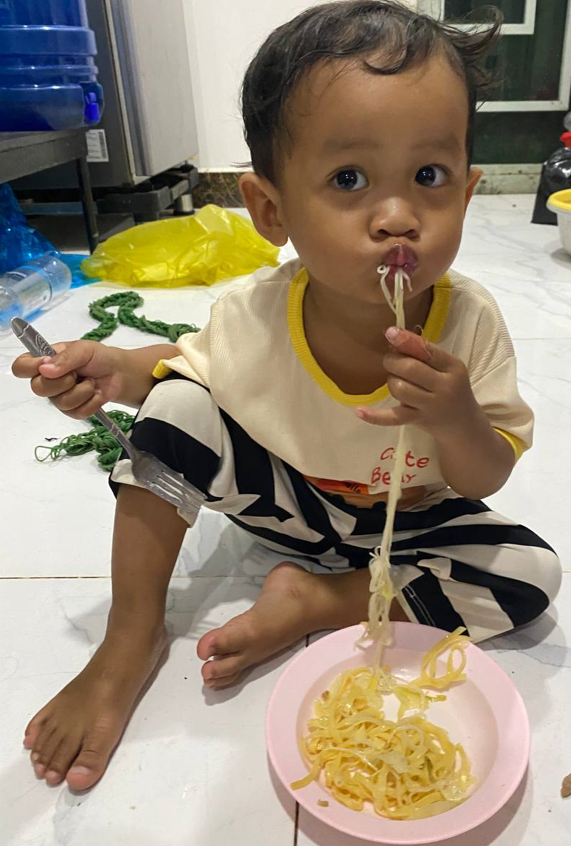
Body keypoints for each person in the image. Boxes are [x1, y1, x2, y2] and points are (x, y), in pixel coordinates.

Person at [12, 0, 561, 792]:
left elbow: (482, 479)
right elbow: (197, 364)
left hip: (410, 525)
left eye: (429, 176)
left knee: (529, 573)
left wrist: (454, 414)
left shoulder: (467, 322)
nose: (399, 215)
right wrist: (118, 372)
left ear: (469, 191)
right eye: (348, 179)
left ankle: (317, 601)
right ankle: (130, 634)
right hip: (292, 507)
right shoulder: (260, 311)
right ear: (272, 210)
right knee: (177, 404)